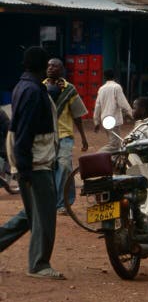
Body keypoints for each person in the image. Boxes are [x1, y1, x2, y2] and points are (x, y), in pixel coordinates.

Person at [0, 46, 64, 279]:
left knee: (30, 215)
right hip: (36, 163)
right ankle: (39, 264)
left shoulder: (27, 86)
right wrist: (25, 169)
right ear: (41, 66)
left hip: (32, 161)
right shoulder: (32, 91)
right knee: (45, 215)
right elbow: (25, 131)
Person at [43, 58, 90, 213]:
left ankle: (64, 203)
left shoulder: (70, 90)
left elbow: (77, 115)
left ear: (62, 70)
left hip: (65, 135)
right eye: (49, 65)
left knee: (64, 167)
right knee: (49, 169)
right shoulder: (41, 87)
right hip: (46, 136)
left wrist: (83, 137)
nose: (50, 68)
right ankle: (54, 201)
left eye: (54, 66)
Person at [93, 69, 134, 150]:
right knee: (114, 145)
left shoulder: (101, 89)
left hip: (105, 120)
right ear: (115, 77)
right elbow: (123, 103)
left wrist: (96, 121)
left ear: (104, 77)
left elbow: (97, 106)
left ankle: (113, 162)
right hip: (113, 120)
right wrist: (132, 114)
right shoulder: (116, 87)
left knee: (115, 145)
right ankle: (100, 154)